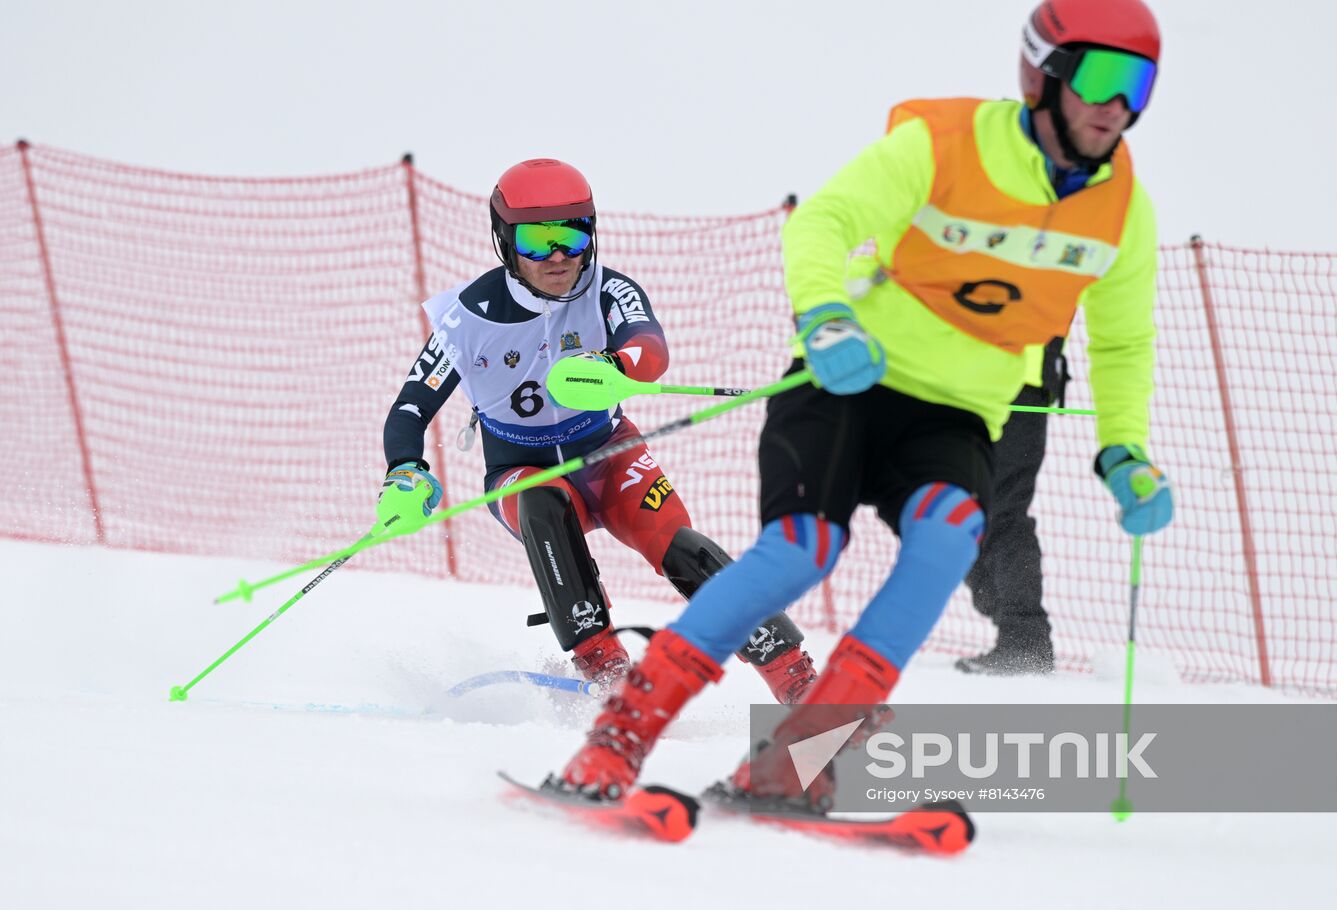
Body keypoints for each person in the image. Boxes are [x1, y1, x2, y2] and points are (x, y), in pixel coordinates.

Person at [554, 0, 1175, 805]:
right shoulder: (945, 145)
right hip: (846, 384)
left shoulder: (1123, 212)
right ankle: (620, 737)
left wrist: (1123, 449)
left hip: (955, 415)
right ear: (1044, 71)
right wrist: (827, 316)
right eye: (1101, 76)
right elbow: (826, 220)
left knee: (950, 540)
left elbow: (1123, 342)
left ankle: (798, 758)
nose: (1116, 103)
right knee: (803, 549)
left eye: (1140, 84)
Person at [376, 158, 817, 703]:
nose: (558, 255)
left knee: (684, 552)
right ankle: (606, 669)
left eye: (573, 234)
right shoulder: (468, 320)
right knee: (542, 504)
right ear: (505, 241)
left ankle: (795, 675)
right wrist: (404, 470)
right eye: (538, 241)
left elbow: (649, 348)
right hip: (522, 468)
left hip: (610, 456)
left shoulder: (609, 290)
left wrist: (616, 367)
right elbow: (411, 408)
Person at [954, 336, 1067, 676]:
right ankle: (1011, 621)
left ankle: (1025, 639)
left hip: (1015, 384)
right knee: (958, 508)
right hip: (965, 382)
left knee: (1002, 510)